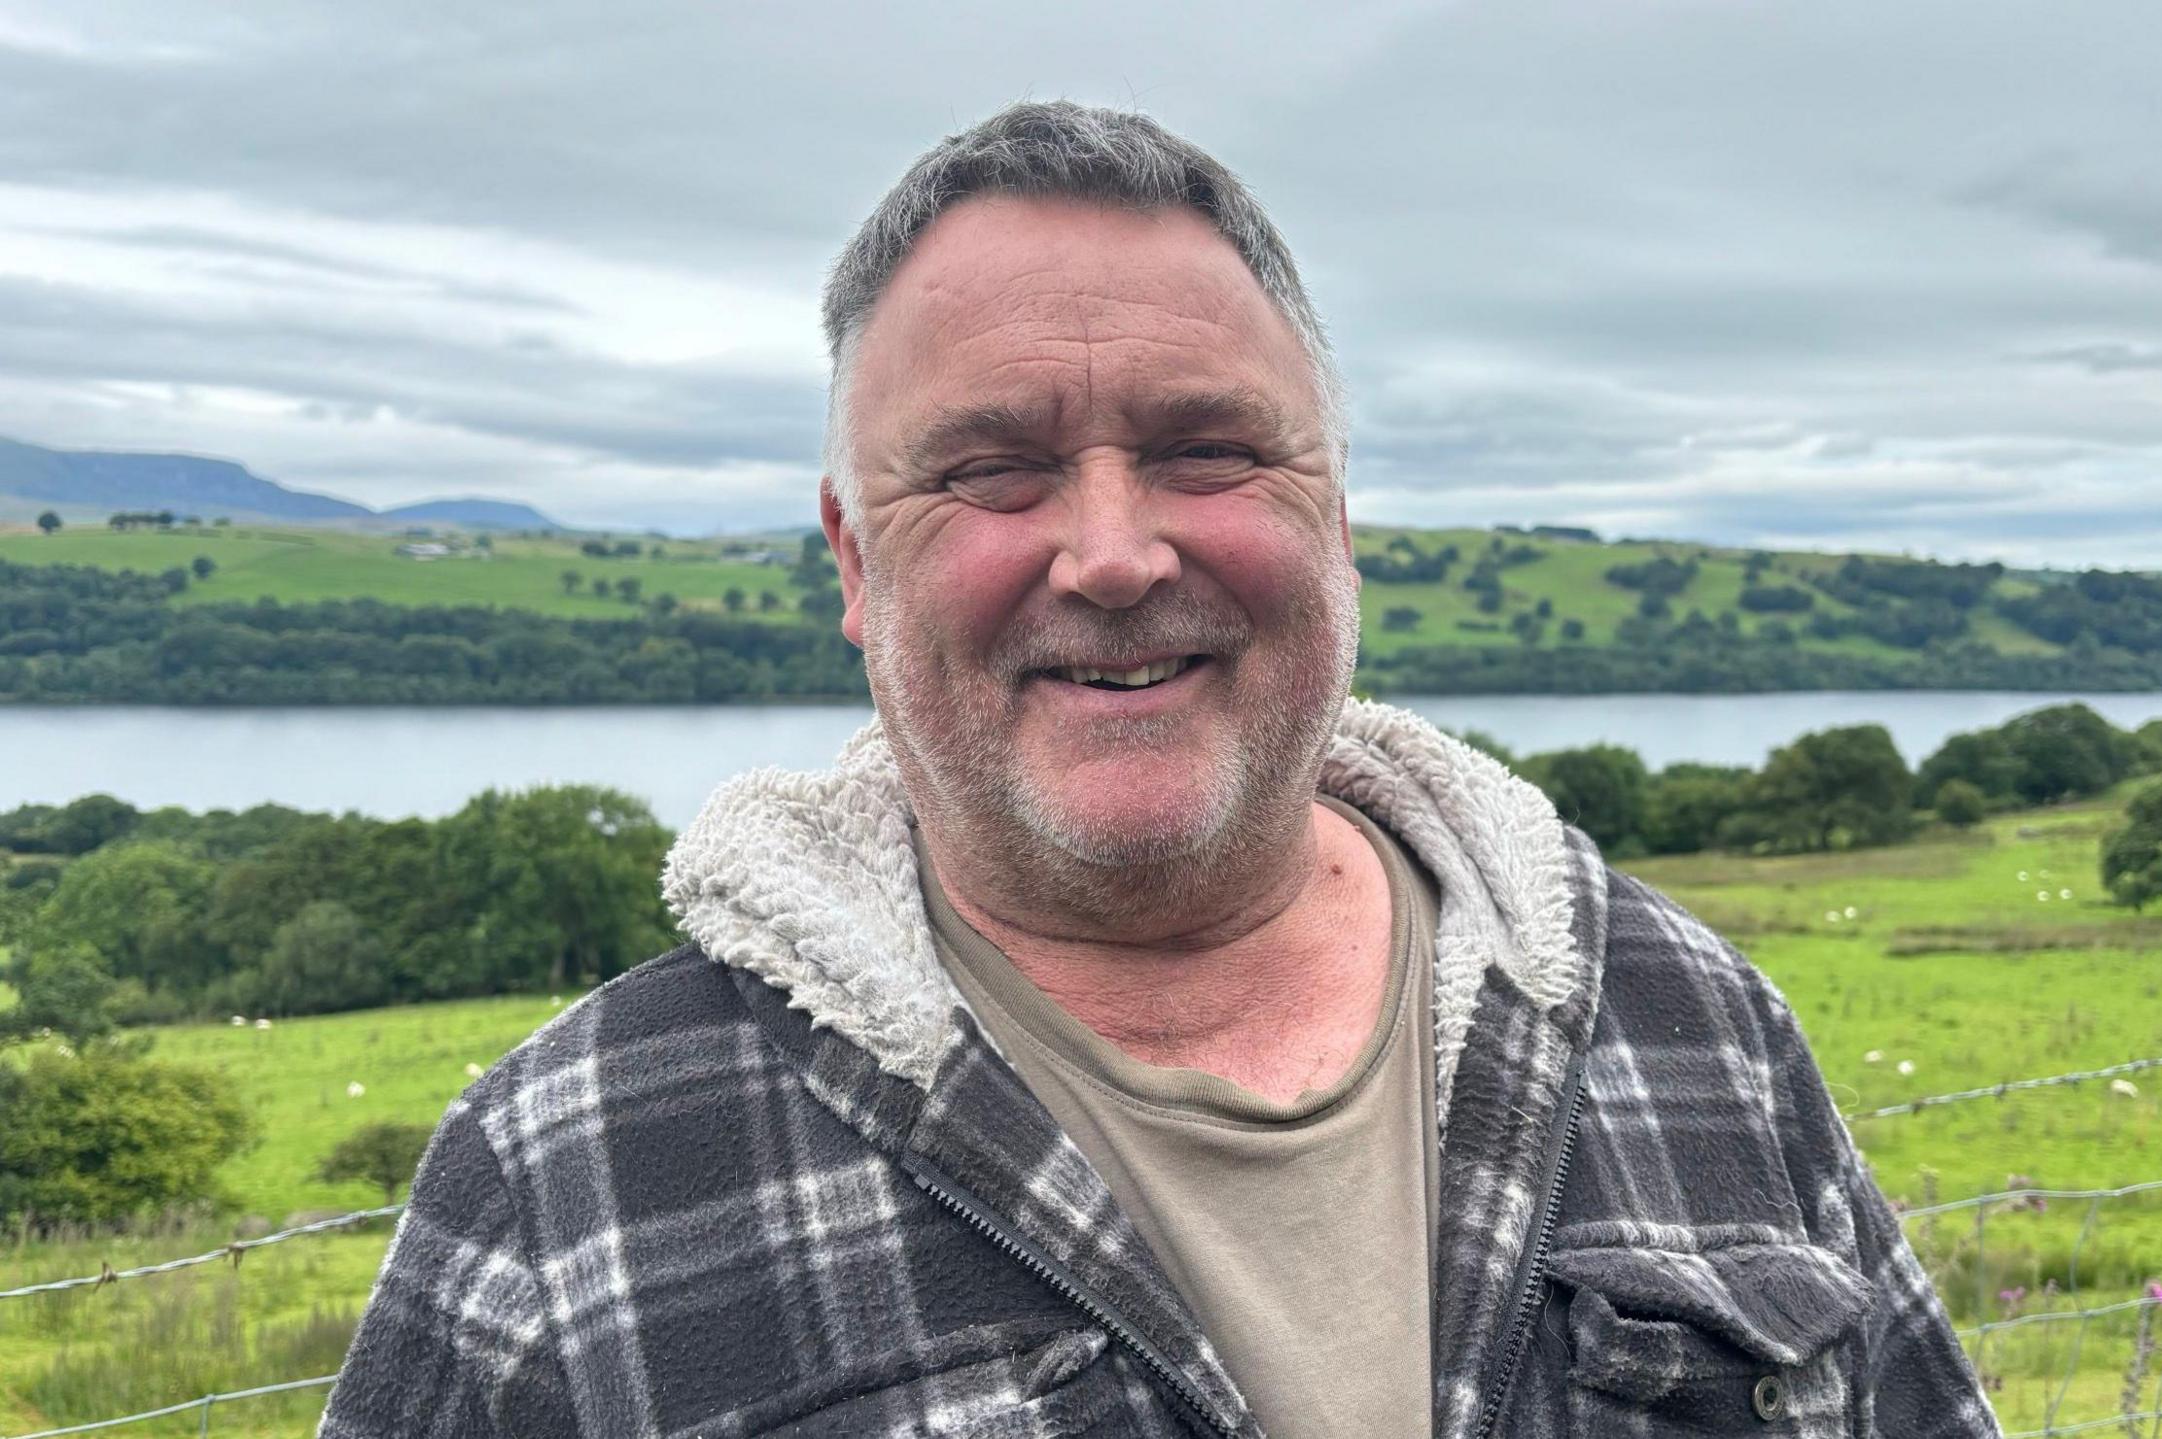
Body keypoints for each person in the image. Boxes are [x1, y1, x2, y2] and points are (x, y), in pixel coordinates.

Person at [320, 100, 1998, 1439]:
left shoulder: (1687, 1018)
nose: (1112, 555)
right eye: (993, 470)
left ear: (1333, 512)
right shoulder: (574, 1165)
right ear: (850, 558)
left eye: (1206, 450)